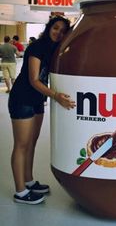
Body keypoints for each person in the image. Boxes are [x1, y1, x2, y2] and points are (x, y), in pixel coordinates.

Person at [8, 16, 76, 205]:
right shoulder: (37, 47)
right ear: (49, 28)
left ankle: (29, 181)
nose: (58, 33)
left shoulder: (54, 49)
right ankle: (20, 191)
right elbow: (34, 80)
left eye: (63, 31)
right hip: (22, 99)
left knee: (31, 143)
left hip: (37, 100)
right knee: (21, 145)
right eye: (56, 28)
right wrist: (56, 96)